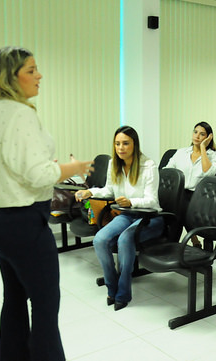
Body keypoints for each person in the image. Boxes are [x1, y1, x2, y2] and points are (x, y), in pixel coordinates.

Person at [0, 47, 94, 361]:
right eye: (31, 70)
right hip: (23, 221)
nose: (39, 75)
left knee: (14, 300)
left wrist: (39, 167)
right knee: (45, 306)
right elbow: (36, 173)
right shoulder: (20, 113)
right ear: (10, 77)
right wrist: (75, 167)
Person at [75, 126, 162, 311]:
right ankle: (111, 285)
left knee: (125, 239)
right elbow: (109, 191)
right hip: (127, 214)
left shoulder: (149, 165)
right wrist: (89, 191)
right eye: (117, 144)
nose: (121, 148)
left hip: (150, 217)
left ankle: (123, 292)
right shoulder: (114, 164)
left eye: (125, 143)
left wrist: (131, 202)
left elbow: (152, 200)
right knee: (99, 239)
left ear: (134, 144)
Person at [165, 121, 216, 247]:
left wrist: (203, 148)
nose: (197, 136)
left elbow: (208, 172)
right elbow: (167, 171)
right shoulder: (181, 152)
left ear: (208, 138)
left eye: (202, 134)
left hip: (200, 197)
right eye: (195, 132)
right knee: (174, 207)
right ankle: (185, 242)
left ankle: (170, 246)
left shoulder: (213, 156)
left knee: (176, 211)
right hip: (180, 194)